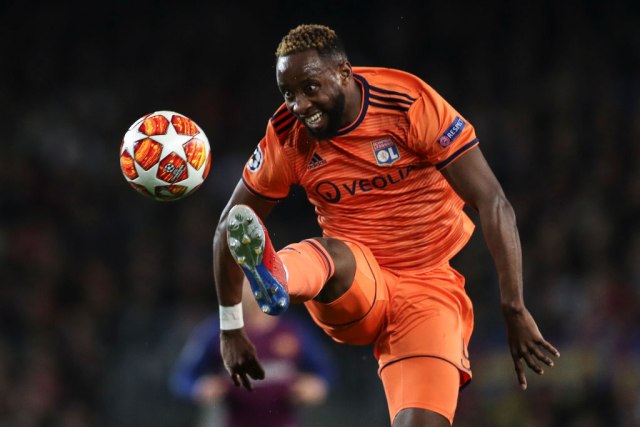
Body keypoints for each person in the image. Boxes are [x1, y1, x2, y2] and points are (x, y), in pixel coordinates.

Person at [212, 24, 560, 427]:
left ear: (344, 72)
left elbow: (493, 201)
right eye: (287, 94)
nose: (299, 105)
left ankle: (280, 274)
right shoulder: (287, 135)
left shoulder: (407, 103)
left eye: (310, 87)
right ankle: (278, 275)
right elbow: (229, 227)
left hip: (427, 286)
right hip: (356, 283)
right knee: (334, 253)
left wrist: (513, 306)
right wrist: (231, 327)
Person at [170, 281, 333, 427]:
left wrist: (316, 386)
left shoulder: (293, 330)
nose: (254, 288)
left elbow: (325, 371)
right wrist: (199, 388)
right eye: (247, 281)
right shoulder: (217, 331)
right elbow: (182, 377)